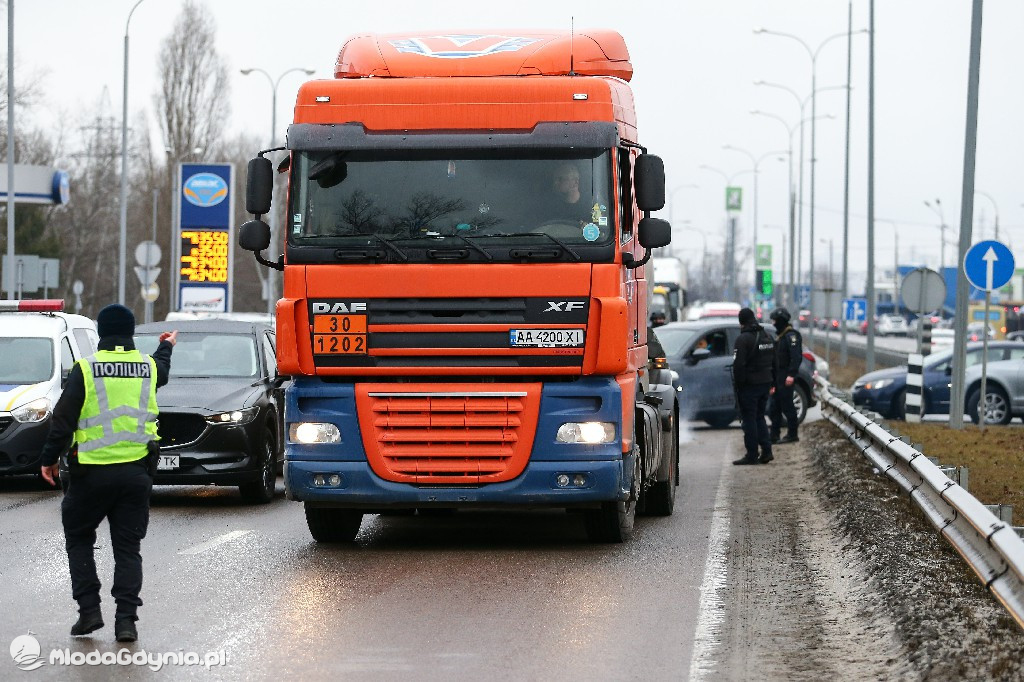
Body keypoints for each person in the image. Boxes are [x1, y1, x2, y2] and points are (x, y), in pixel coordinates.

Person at [40, 304, 176, 642]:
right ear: (131, 333)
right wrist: (166, 345)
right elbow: (161, 369)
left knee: (79, 538)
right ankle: (126, 622)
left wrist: (49, 458)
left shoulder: (86, 369)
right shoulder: (146, 367)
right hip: (135, 475)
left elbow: (63, 420)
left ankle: (88, 613)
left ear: (101, 332)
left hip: (91, 475)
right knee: (128, 550)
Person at [731, 307, 777, 465]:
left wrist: (739, 385)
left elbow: (739, 366)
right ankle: (767, 451)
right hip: (765, 383)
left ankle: (752, 454)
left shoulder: (743, 339)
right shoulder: (767, 336)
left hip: (749, 386)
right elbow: (774, 362)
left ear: (741, 322)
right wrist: (773, 382)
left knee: (749, 419)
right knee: (759, 417)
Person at [769, 307, 803, 444]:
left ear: (781, 321)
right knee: (774, 408)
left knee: (788, 407)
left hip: (786, 376)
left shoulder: (791, 336)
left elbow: (796, 357)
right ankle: (774, 435)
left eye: (775, 321)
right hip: (777, 377)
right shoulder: (780, 337)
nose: (773, 324)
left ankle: (792, 434)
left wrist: (791, 375)